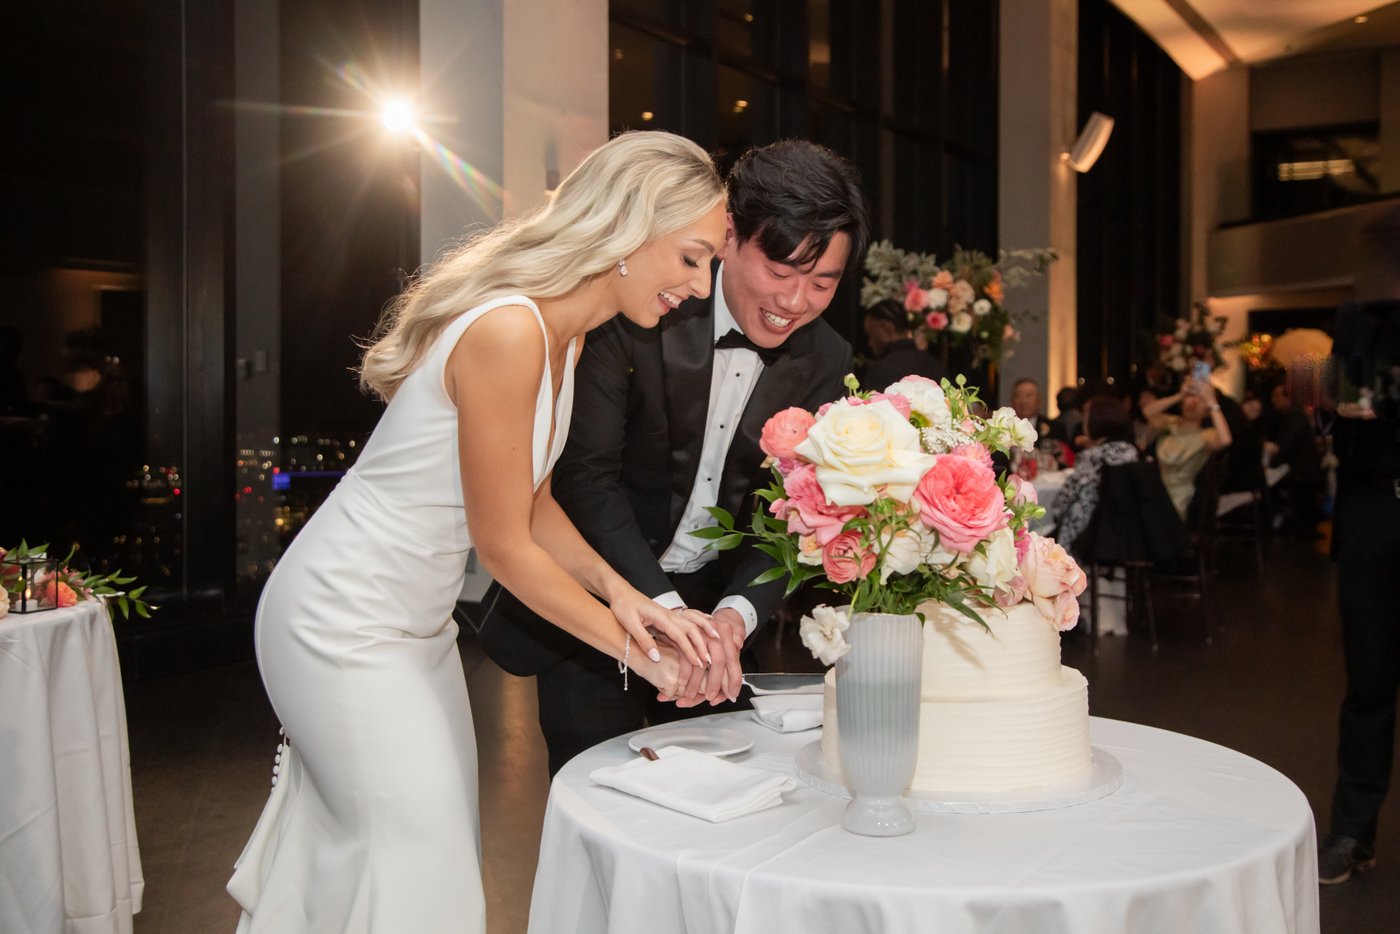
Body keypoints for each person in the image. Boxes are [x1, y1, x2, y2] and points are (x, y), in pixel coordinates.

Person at [226, 131, 728, 933]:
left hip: (412, 630)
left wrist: (630, 597)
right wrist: (641, 654)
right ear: (630, 232)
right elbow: (502, 547)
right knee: (418, 870)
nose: (700, 288)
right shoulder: (510, 330)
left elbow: (532, 507)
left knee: (419, 855)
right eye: (692, 257)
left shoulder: (565, 337)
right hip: (339, 620)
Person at [477, 138, 870, 776]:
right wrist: (660, 607)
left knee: (708, 810)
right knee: (597, 796)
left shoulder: (825, 358)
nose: (796, 302)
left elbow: (794, 515)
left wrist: (734, 619)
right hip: (597, 598)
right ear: (730, 234)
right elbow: (584, 476)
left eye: (821, 281)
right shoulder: (638, 306)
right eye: (780, 271)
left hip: (716, 629)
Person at [1319, 298, 1400, 885]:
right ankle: (1353, 832)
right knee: (1368, 683)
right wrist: (1324, 397)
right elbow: (1315, 399)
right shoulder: (1357, 316)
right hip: (1372, 510)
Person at [1050, 393, 1138, 554]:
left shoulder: (1093, 457)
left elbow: (1061, 502)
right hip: (1123, 534)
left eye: (1086, 416)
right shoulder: (1130, 453)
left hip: (1088, 534)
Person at [1141, 376, 1233, 519]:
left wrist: (1211, 401)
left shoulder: (1206, 435)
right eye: (1190, 397)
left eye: (1200, 399)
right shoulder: (1171, 423)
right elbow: (1148, 411)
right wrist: (1180, 395)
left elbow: (1225, 440)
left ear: (1208, 410)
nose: (1193, 401)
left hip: (1179, 496)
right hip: (1154, 490)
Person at [860, 298, 946, 390]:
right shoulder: (935, 365)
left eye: (872, 335)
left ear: (888, 329)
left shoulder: (880, 370)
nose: (870, 343)